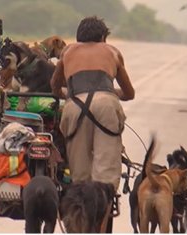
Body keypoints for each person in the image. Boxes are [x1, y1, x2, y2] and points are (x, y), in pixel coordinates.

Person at [50, 16, 135, 190]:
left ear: (78, 37)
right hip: (106, 105)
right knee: (106, 174)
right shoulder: (112, 51)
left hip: (75, 106)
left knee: (80, 174)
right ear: (103, 37)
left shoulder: (68, 52)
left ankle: (82, 205)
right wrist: (109, 92)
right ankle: (103, 209)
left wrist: (68, 95)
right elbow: (129, 93)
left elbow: (54, 86)